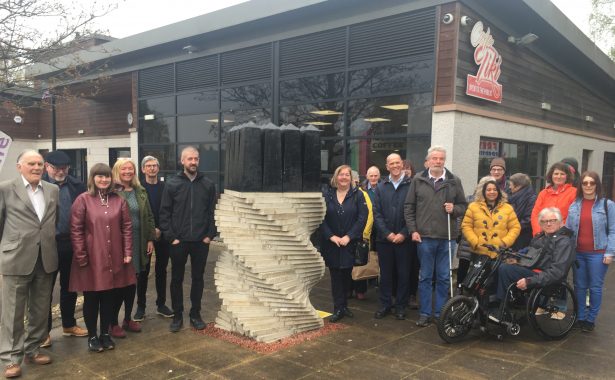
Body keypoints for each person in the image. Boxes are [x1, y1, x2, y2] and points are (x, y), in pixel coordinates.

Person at [0, 150, 59, 378]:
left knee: (40, 309)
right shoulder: (6, 189)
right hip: (16, 258)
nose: (36, 167)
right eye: (31, 163)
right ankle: (11, 359)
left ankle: (32, 350)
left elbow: (52, 221)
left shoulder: (52, 189)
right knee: (12, 313)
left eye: (40, 164)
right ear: (19, 167)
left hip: (45, 258)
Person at [69, 163, 135, 352]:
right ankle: (92, 336)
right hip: (91, 258)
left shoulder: (119, 200)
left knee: (109, 297)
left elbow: (127, 227)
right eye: (99, 176)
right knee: (91, 298)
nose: (103, 179)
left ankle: (105, 334)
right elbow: (76, 230)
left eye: (106, 176)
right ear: (93, 178)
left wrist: (128, 252)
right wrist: (81, 255)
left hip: (114, 256)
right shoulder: (83, 200)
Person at [404, 146, 467, 327]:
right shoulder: (418, 179)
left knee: (443, 277)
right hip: (424, 237)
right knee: (424, 277)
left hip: (446, 237)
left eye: (441, 158)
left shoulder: (454, 181)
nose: (438, 161)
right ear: (428, 160)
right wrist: (413, 230)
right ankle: (424, 313)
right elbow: (409, 207)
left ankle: (440, 312)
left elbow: (463, 205)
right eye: (435, 159)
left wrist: (454, 209)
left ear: (444, 160)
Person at [160, 146, 217, 332]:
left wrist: (210, 234)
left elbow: (212, 212)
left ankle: (195, 313)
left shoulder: (208, 184)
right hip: (179, 241)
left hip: (201, 241)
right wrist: (171, 237)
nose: (193, 162)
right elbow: (165, 213)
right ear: (182, 161)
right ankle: (177, 315)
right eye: (190, 159)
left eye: (196, 159)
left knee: (198, 278)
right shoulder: (172, 184)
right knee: (176, 278)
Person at [491, 207, 575, 322]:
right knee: (495, 265)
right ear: (540, 223)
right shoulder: (540, 237)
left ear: (561, 222)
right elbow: (528, 251)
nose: (549, 224)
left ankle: (502, 307)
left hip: (546, 279)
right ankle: (495, 302)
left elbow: (557, 272)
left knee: (505, 269)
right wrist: (514, 256)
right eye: (545, 221)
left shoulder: (563, 241)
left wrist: (530, 281)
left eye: (553, 220)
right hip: (532, 269)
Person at [41, 150, 88, 348]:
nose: (61, 172)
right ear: (47, 167)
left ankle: (69, 324)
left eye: (64, 168)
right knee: (45, 289)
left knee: (70, 287)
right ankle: (43, 332)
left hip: (72, 242)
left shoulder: (77, 185)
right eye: (56, 168)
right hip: (48, 243)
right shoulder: (39, 185)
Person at [109, 159, 155, 337]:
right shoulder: (111, 192)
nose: (128, 171)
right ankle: (112, 322)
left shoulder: (140, 191)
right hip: (118, 244)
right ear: (117, 170)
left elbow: (149, 216)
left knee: (132, 283)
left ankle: (128, 319)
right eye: (124, 168)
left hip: (138, 242)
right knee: (118, 285)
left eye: (131, 168)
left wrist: (150, 238)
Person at [565, 171, 615, 332]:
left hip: (598, 254)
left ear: (597, 185)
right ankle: (580, 317)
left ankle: (591, 319)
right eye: (584, 183)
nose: (588, 186)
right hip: (578, 253)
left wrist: (609, 253)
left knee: (595, 287)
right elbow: (568, 230)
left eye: (591, 183)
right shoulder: (574, 205)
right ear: (580, 185)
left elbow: (613, 230)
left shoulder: (607, 205)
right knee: (579, 286)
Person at [320, 166, 368, 322]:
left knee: (347, 275)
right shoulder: (327, 195)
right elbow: (321, 218)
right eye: (341, 175)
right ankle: (338, 308)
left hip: (349, 243)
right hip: (332, 243)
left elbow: (362, 218)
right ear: (336, 177)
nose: (344, 177)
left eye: (347, 175)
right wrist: (331, 236)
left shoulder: (358, 195)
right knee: (335, 276)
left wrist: (349, 236)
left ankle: (344, 305)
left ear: (351, 178)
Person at [373, 153, 413, 320]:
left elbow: (414, 212)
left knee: (404, 274)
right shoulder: (381, 186)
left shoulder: (411, 185)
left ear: (402, 164)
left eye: (398, 163)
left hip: (405, 240)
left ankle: (401, 306)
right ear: (387, 166)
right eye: (392, 163)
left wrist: (404, 233)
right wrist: (388, 234)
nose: (395, 166)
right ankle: (385, 304)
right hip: (385, 240)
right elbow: (377, 213)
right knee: (386, 274)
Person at [140, 156, 174, 318]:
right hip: (145, 235)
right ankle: (141, 307)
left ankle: (161, 304)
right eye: (148, 166)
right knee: (143, 272)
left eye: (154, 166)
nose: (152, 168)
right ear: (143, 169)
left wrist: (161, 228)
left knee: (161, 270)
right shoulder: (138, 188)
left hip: (163, 234)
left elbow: (168, 210)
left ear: (158, 169)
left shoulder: (165, 188)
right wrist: (151, 231)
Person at [461, 180, 521, 260]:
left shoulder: (508, 208)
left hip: (499, 252)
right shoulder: (473, 206)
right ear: (483, 192)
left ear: (499, 192)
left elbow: (515, 227)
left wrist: (504, 242)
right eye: (488, 190)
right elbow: (466, 226)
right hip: (478, 252)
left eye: (495, 189)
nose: (492, 192)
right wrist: (475, 242)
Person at [531, 162, 577, 236]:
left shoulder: (574, 192)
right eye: (556, 174)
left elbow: (573, 217)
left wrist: (560, 233)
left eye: (562, 174)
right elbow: (535, 215)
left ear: (567, 176)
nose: (559, 176)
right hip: (543, 236)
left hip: (563, 236)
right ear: (551, 176)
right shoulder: (543, 193)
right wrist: (538, 233)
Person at [350, 170, 372, 300]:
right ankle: (348, 290)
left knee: (359, 263)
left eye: (352, 179)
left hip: (360, 236)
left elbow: (369, 215)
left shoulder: (363, 194)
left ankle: (360, 291)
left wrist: (365, 233)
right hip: (347, 236)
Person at [508, 173, 537, 250]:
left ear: (518, 186)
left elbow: (529, 219)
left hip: (523, 237)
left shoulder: (531, 198)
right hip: (514, 234)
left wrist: (513, 228)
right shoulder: (514, 197)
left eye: (511, 184)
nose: (509, 187)